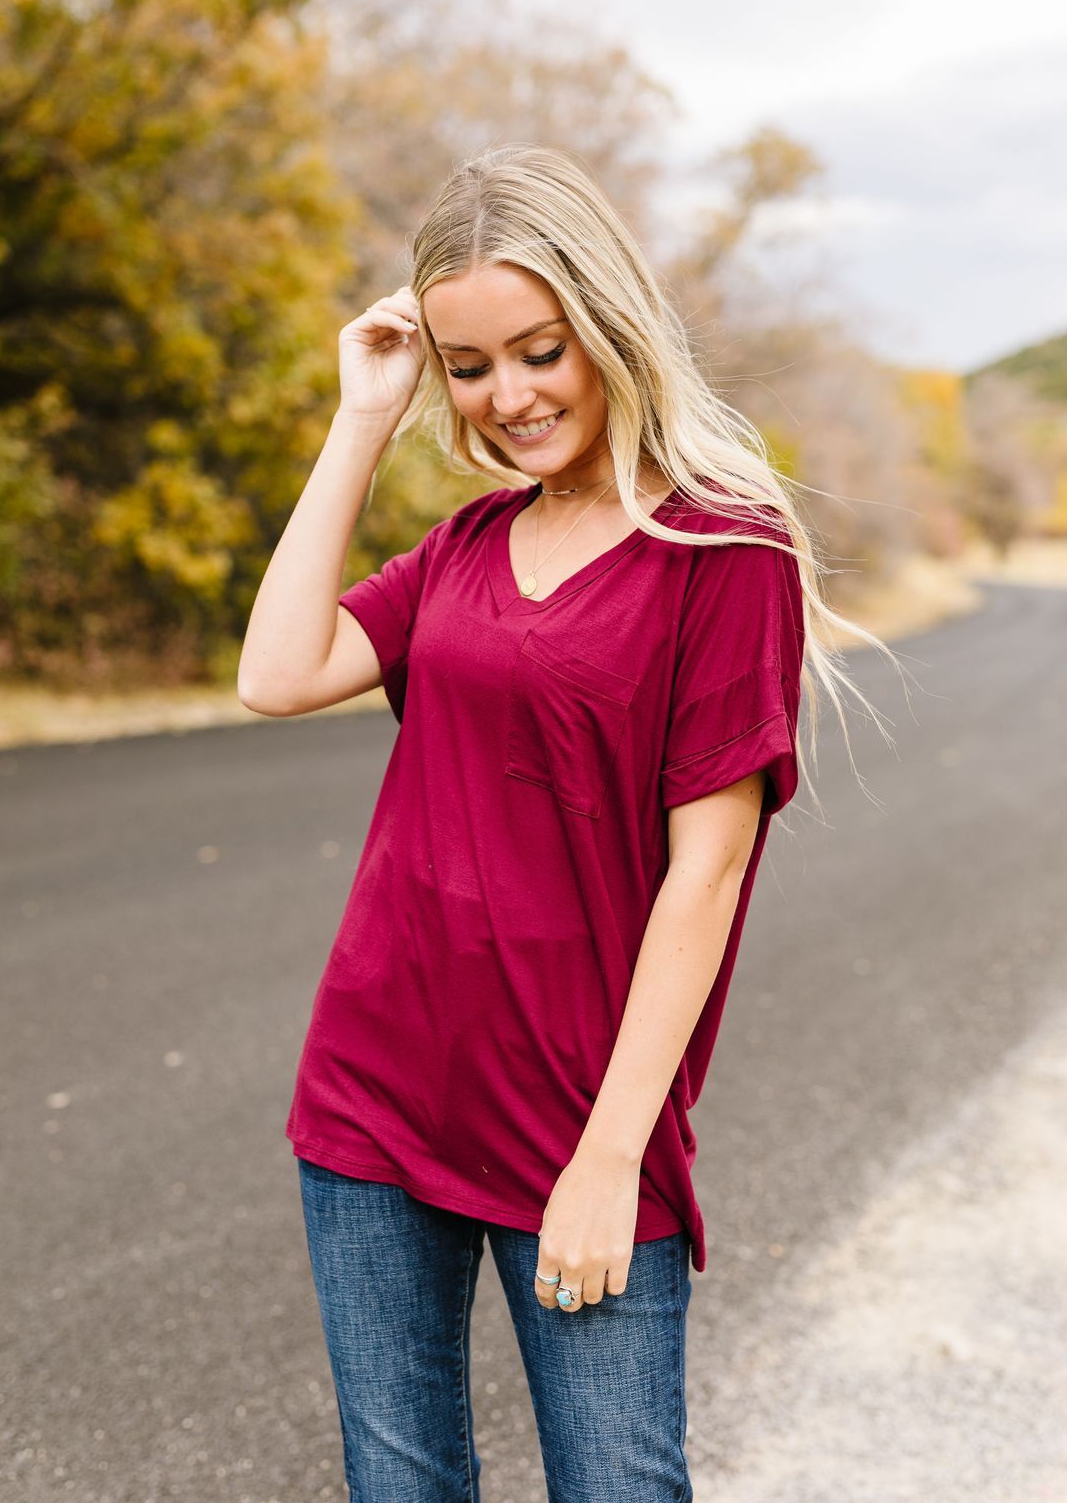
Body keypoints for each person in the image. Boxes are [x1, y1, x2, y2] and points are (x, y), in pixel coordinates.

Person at [238, 144, 902, 1503]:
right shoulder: (467, 549)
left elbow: (704, 876)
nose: (508, 397)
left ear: (605, 324)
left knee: (619, 1486)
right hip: (373, 1101)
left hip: (580, 1129)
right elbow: (275, 672)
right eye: (470, 367)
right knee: (400, 1481)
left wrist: (607, 1161)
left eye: (539, 351)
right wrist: (362, 419)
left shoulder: (724, 547)